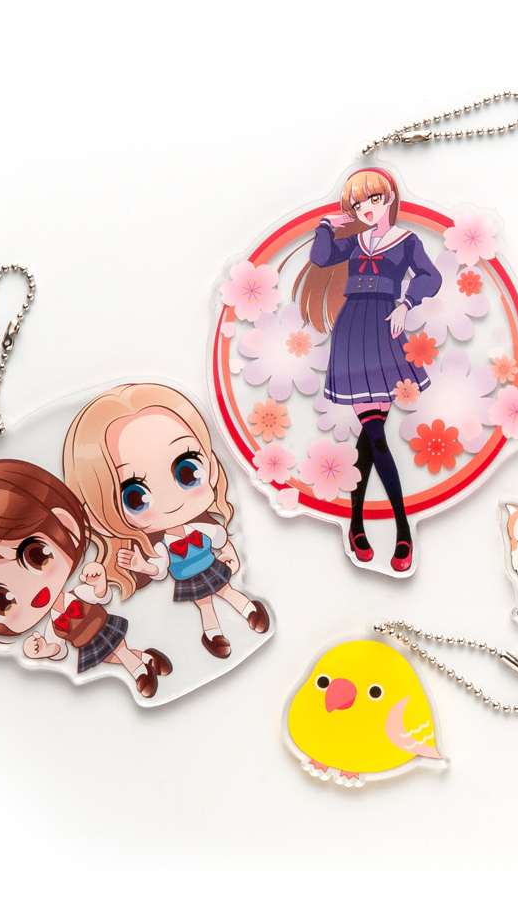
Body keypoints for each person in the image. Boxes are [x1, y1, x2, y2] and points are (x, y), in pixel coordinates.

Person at [0, 459, 170, 697]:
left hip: (101, 625)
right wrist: (43, 651)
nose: (31, 591)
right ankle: (146, 659)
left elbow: (101, 596)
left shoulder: (76, 595)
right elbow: (58, 649)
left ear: (67, 526)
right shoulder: (53, 626)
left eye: (36, 555)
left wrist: (98, 581)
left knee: (118, 649)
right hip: (85, 643)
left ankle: (139, 671)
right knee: (109, 655)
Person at [293, 167, 442, 571]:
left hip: (385, 326)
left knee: (372, 435)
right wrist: (326, 226)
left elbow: (430, 276)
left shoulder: (407, 241)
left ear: (389, 198)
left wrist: (406, 304)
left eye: (374, 199)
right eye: (358, 204)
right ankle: (398, 529)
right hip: (352, 327)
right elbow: (321, 257)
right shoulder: (354, 241)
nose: (367, 209)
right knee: (375, 434)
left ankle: (363, 525)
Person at [63, 383, 269, 660]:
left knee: (227, 590)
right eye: (135, 497)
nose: (171, 502)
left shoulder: (201, 527)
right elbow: (158, 569)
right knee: (204, 603)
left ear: (211, 466)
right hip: (189, 577)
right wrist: (141, 565)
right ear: (99, 518)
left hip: (210, 567)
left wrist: (228, 552)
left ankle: (250, 610)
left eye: (188, 470)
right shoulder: (160, 546)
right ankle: (213, 635)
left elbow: (220, 537)